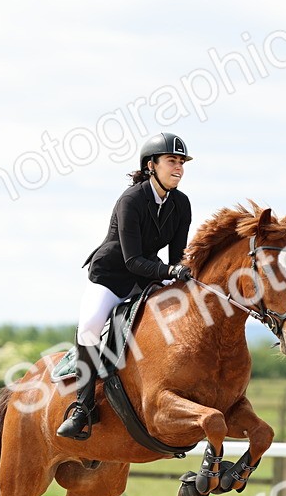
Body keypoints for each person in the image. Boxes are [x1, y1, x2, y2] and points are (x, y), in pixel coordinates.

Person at [56, 132, 195, 440]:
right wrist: (170, 270)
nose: (179, 168)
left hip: (148, 277)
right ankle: (82, 408)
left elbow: (178, 256)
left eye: (182, 162)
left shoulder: (181, 204)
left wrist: (182, 276)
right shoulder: (131, 200)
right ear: (151, 165)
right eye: (172, 161)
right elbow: (132, 260)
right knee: (90, 325)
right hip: (112, 276)